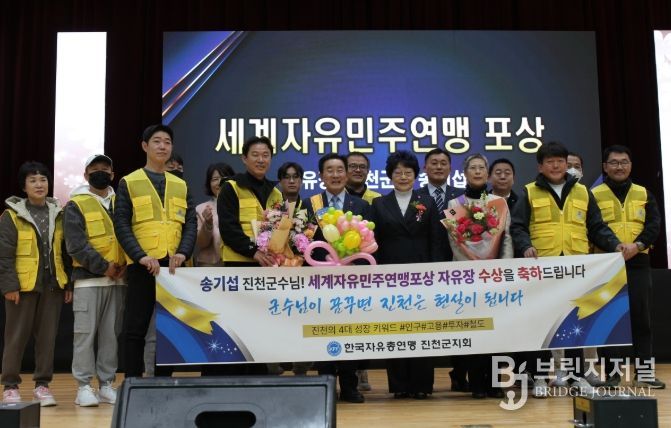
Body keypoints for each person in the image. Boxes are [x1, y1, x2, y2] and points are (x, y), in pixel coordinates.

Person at [510, 141, 635, 398]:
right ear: (540, 166)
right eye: (550, 162)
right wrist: (525, 246)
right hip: (543, 268)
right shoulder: (529, 192)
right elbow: (518, 226)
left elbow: (597, 227)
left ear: (566, 164)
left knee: (576, 325)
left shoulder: (582, 192)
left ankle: (577, 377)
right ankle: (540, 376)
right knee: (541, 325)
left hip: (576, 269)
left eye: (560, 161)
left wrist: (614, 244)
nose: (556, 166)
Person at [113, 124, 197, 379]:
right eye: (157, 141)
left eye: (167, 142)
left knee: (169, 329)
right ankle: (132, 381)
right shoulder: (129, 182)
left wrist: (183, 253)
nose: (163, 146)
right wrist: (140, 256)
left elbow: (190, 223)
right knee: (135, 328)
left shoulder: (181, 184)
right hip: (143, 265)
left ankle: (163, 382)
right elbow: (121, 224)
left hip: (173, 266)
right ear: (145, 146)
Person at [370, 150, 447, 400]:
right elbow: (374, 242)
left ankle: (422, 384)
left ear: (415, 175)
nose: (403, 176)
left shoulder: (427, 202)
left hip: (422, 275)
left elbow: (436, 240)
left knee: (422, 329)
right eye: (398, 172)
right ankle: (400, 384)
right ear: (390, 176)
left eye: (408, 172)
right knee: (395, 329)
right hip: (389, 276)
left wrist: (436, 273)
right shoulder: (379, 203)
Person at [592, 145, 665, 389]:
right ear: (605, 167)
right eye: (614, 162)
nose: (619, 167)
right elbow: (594, 227)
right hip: (606, 264)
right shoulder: (593, 194)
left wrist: (638, 245)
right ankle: (612, 376)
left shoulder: (644, 193)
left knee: (641, 319)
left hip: (638, 263)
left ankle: (644, 373)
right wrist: (615, 246)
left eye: (624, 162)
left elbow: (654, 225)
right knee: (607, 321)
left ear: (631, 165)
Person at [0, 162, 72, 406]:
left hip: (52, 286)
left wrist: (67, 284)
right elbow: (4, 255)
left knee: (47, 339)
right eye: (33, 180)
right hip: (23, 287)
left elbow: (65, 252)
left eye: (43, 180)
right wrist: (10, 286)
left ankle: (42, 385)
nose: (39, 184)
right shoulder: (11, 216)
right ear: (24, 187)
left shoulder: (59, 214)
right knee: (16, 338)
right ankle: (10, 386)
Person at [303, 153, 370, 403]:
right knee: (323, 332)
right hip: (320, 280)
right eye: (329, 170)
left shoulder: (361, 206)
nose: (335, 175)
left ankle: (350, 386)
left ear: (347, 174)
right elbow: (302, 241)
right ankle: (326, 384)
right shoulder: (310, 205)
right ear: (321, 176)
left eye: (339, 170)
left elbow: (370, 243)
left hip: (352, 282)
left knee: (350, 333)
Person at [445, 154, 513, 399]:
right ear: (465, 173)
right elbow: (455, 242)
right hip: (467, 278)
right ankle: (477, 384)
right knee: (474, 331)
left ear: (487, 173)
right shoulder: (455, 202)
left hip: (495, 277)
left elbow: (506, 238)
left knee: (496, 332)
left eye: (481, 168)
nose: (477, 171)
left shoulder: (499, 203)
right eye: (472, 168)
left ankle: (494, 383)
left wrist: (502, 269)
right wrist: (471, 269)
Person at [215, 136, 283, 375]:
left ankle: (259, 372)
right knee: (238, 322)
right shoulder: (231, 188)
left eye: (265, 155)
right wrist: (254, 252)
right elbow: (228, 229)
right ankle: (237, 375)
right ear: (244, 159)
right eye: (255, 155)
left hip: (266, 268)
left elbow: (278, 230)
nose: (261, 160)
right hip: (239, 265)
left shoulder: (276, 193)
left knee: (262, 321)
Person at [63, 154, 126, 406]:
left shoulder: (122, 201)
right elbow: (75, 245)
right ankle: (83, 387)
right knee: (84, 335)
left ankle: (107, 384)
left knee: (111, 336)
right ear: (86, 174)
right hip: (88, 281)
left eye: (105, 168)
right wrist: (104, 267)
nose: (100, 172)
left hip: (119, 281)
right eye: (95, 168)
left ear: (112, 174)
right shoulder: (75, 204)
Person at [417, 147, 467, 391]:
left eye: (443, 163)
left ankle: (460, 373)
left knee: (460, 322)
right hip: (423, 270)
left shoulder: (461, 197)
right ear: (425, 168)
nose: (438, 167)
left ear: (450, 168)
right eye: (433, 163)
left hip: (456, 266)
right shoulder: (414, 196)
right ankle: (422, 381)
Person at [267, 161, 312, 376]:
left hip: (304, 274)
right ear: (280, 181)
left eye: (296, 177)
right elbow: (263, 236)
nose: (292, 181)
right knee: (274, 318)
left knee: (302, 319)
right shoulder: (272, 208)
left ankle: (302, 364)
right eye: (287, 177)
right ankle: (272, 363)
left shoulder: (310, 207)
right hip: (276, 272)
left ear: (302, 180)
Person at [344, 152, 379, 391]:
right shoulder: (330, 200)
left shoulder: (376, 199)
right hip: (335, 273)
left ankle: (362, 368)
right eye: (352, 166)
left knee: (364, 323)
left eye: (362, 167)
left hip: (365, 271)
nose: (357, 170)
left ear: (368, 171)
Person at [195, 162, 235, 267]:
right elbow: (201, 243)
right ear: (209, 183)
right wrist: (207, 224)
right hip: (210, 266)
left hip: (237, 264)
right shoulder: (201, 209)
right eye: (215, 179)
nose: (219, 183)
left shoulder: (242, 206)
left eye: (224, 178)